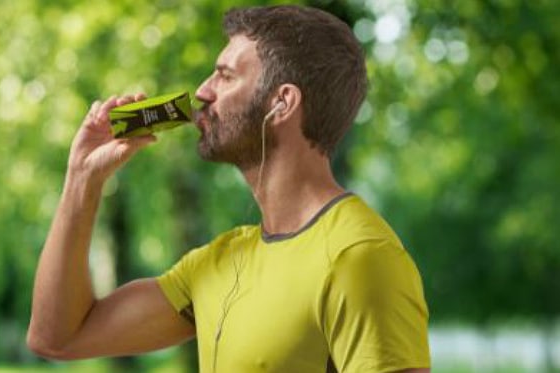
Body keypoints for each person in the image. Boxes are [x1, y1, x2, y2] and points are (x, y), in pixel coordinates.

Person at [27, 5, 431, 373]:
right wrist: (82, 182)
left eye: (225, 75)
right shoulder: (219, 261)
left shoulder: (359, 258)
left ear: (282, 102)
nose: (202, 91)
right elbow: (57, 338)